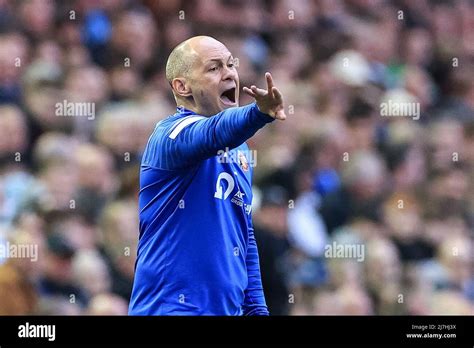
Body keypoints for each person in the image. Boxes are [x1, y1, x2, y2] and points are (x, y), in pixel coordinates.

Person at [129, 36, 287, 315]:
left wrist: (257, 310)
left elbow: (244, 238)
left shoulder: (240, 152)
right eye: (213, 68)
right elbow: (211, 133)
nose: (229, 73)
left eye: (230, 65)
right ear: (182, 86)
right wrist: (257, 114)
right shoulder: (169, 136)